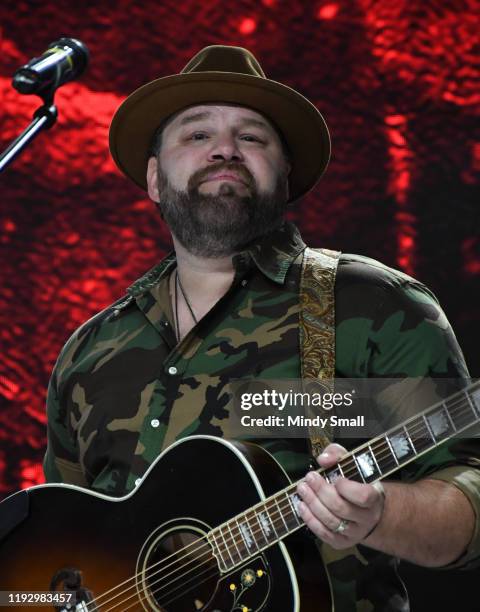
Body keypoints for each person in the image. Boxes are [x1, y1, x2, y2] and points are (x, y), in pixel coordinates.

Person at [44, 45, 480, 611]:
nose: (225, 148)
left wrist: (380, 515)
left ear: (286, 175)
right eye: (197, 135)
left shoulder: (376, 307)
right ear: (155, 178)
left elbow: (469, 491)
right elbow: (53, 543)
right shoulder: (91, 350)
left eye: (252, 136)